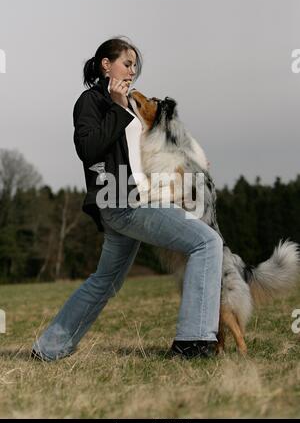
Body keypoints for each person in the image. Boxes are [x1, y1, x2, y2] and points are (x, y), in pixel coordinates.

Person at [31, 37, 223, 361]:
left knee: (104, 281)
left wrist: (192, 161)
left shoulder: (133, 105)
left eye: (135, 65)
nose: (132, 71)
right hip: (122, 202)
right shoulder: (91, 102)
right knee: (207, 243)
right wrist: (117, 109)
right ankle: (193, 340)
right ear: (106, 65)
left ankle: (48, 349)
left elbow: (159, 145)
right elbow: (88, 149)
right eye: (127, 63)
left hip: (136, 201)